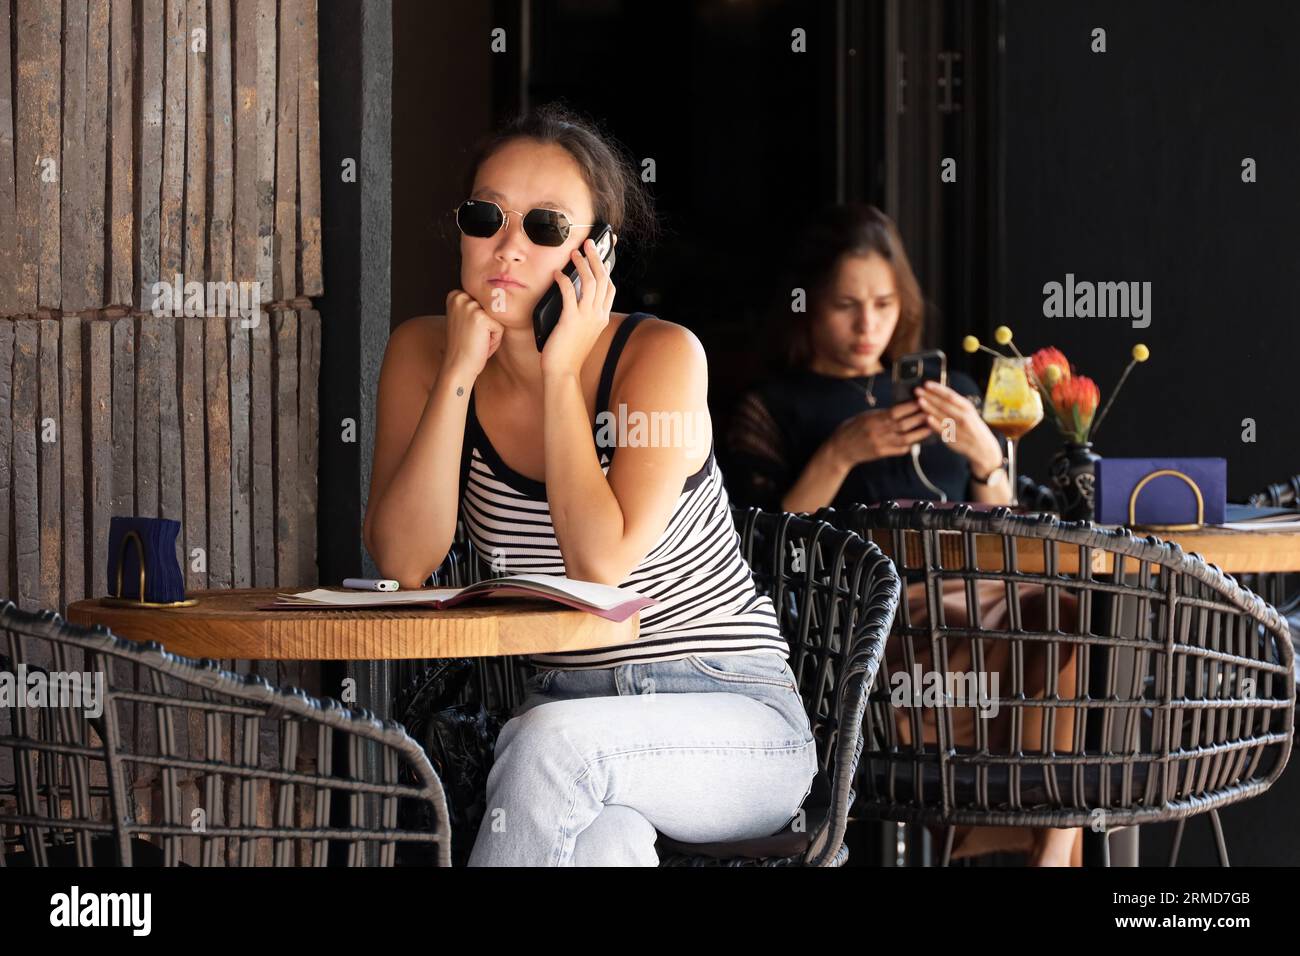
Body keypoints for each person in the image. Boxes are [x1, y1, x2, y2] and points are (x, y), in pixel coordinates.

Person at [363, 103, 816, 866]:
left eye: (545, 227)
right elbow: (403, 560)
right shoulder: (424, 351)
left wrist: (561, 371)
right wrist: (457, 376)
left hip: (733, 714)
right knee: (601, 847)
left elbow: (599, 566)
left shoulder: (659, 357)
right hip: (576, 714)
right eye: (487, 217)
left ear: (594, 254)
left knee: (548, 744)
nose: (507, 246)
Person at [723, 203, 1083, 866]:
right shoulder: (775, 406)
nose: (868, 326)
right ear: (807, 306)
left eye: (885, 305)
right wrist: (837, 457)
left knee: (1067, 614)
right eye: (845, 306)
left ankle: (1051, 849)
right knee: (1021, 624)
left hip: (978, 608)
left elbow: (1002, 528)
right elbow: (758, 550)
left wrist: (984, 458)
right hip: (862, 629)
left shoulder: (951, 393)